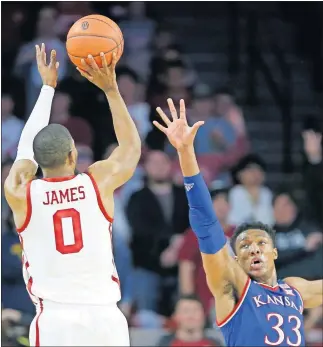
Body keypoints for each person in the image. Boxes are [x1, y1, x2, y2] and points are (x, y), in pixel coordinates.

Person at [153, 98, 323, 347]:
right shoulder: (234, 288)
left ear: (275, 252)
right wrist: (186, 152)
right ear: (236, 259)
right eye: (244, 246)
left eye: (261, 243)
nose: (253, 248)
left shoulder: (294, 289)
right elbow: (205, 222)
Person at [4, 44, 141, 346]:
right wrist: (111, 89)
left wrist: (46, 89)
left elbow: (24, 151)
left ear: (39, 162)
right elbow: (131, 149)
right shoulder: (97, 183)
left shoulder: (21, 192)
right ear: (73, 154)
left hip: (56, 319)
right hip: (105, 318)